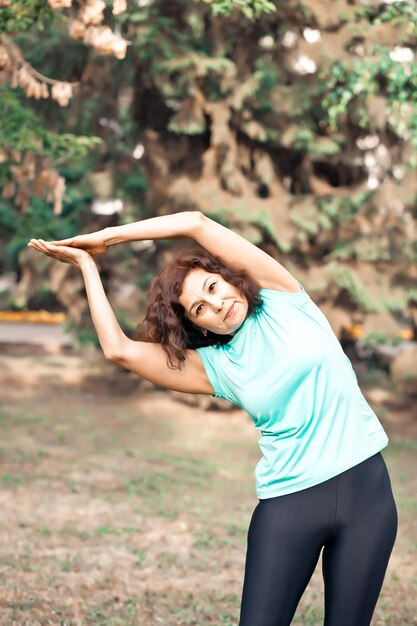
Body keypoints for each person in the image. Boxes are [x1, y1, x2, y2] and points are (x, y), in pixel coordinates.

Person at [27, 210, 398, 626]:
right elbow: (119, 349)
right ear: (196, 325)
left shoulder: (284, 297)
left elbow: (196, 223)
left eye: (213, 286)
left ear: (228, 276)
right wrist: (87, 265)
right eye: (200, 308)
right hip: (290, 505)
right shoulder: (215, 366)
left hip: (368, 495)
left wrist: (107, 237)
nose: (217, 304)